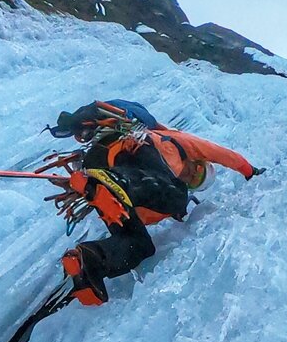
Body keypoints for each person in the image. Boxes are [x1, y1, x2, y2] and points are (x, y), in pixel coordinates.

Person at [48, 100, 265, 305]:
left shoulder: (167, 191)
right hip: (131, 146)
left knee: (140, 244)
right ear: (197, 161)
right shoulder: (175, 143)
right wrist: (249, 171)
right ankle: (116, 181)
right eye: (197, 172)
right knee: (177, 196)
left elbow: (143, 211)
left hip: (103, 177)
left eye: (195, 183)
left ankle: (90, 261)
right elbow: (221, 153)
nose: (190, 177)